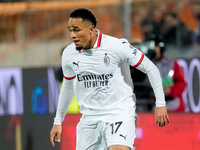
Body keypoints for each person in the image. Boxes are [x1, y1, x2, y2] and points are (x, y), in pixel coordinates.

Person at [50, 8, 170, 150]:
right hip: (89, 119)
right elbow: (68, 87)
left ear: (91, 29)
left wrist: (160, 104)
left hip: (119, 113)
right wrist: (58, 121)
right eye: (70, 30)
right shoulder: (69, 54)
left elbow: (151, 68)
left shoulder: (116, 46)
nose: (72, 35)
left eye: (76, 30)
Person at [136, 35, 187, 112]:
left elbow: (181, 83)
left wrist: (171, 90)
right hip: (149, 105)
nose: (152, 49)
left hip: (172, 106)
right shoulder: (141, 64)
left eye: (155, 47)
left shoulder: (171, 64)